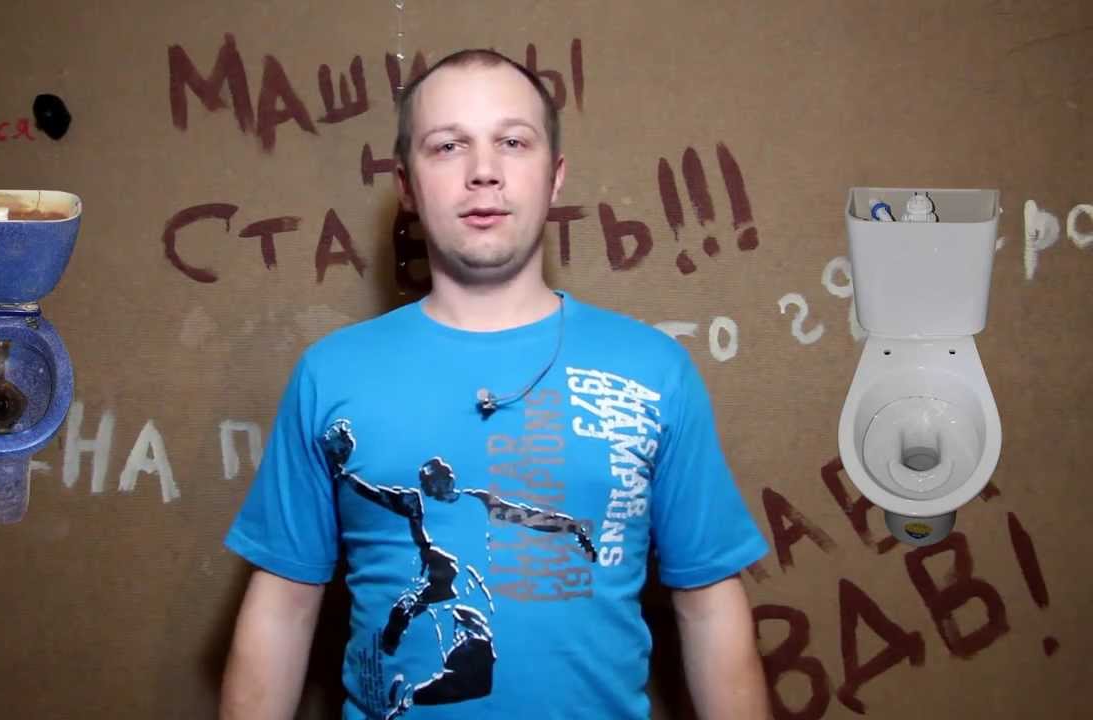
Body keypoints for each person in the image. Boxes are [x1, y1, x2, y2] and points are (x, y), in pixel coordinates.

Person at [219, 48, 771, 720]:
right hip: (439, 595)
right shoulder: (331, 374)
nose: (484, 171)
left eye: (513, 142)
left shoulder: (653, 370)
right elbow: (282, 608)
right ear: (406, 184)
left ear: (554, 176)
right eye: (448, 146)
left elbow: (710, 607)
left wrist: (576, 531)